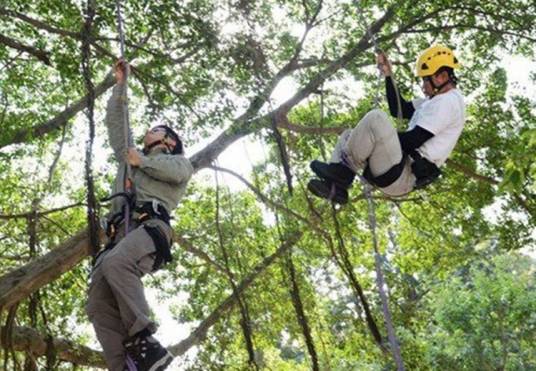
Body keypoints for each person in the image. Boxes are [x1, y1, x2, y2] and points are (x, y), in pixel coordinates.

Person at [86, 59, 194, 371]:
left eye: (156, 130)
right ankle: (123, 366)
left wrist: (142, 161)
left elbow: (177, 172)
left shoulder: (177, 162)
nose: (149, 130)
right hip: (120, 236)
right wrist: (120, 86)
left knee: (118, 262)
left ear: (169, 141)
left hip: (150, 230)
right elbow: (118, 129)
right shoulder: (132, 160)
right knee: (96, 303)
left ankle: (145, 340)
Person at [308, 45, 465, 204]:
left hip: (403, 174)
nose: (423, 86)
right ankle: (336, 189)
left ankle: (342, 175)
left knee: (376, 119)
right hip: (395, 167)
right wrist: (388, 74)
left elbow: (412, 141)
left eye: (426, 79)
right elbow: (399, 109)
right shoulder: (432, 102)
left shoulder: (448, 102)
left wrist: (376, 139)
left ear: (442, 76)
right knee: (349, 135)